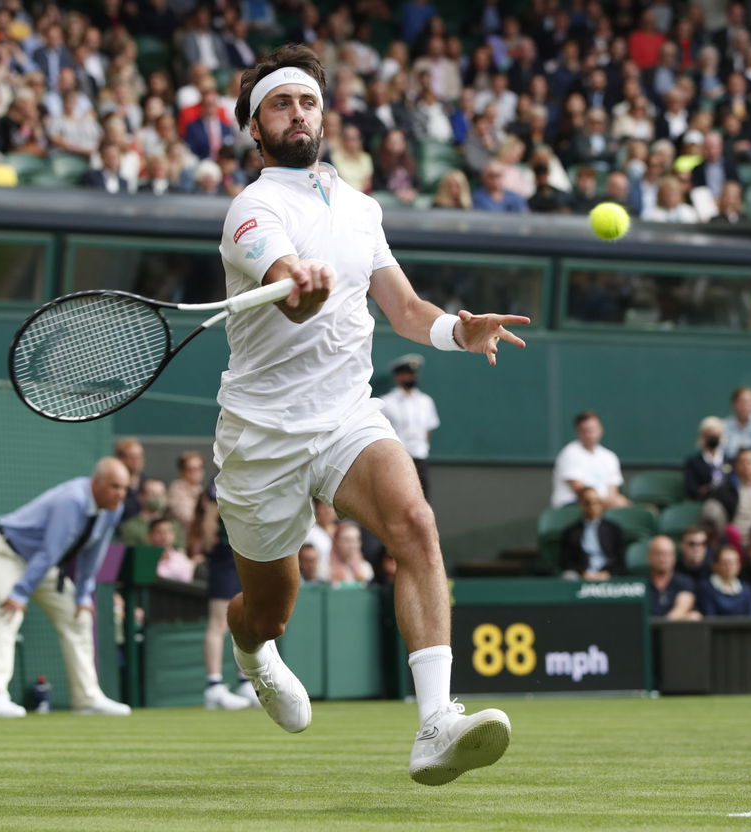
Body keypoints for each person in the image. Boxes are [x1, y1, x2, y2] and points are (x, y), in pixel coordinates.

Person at [215, 45, 523, 785]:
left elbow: (407, 309)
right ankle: (253, 652)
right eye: (282, 105)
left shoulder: (360, 208)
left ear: (324, 115)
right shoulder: (253, 208)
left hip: (347, 415)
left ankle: (435, 723)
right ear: (257, 128)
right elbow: (289, 285)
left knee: (415, 524)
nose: (299, 114)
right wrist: (301, 285)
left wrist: (457, 329)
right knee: (270, 610)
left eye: (309, 102)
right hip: (263, 434)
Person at [0, 458, 133, 717]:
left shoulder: (113, 507)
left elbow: (94, 552)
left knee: (79, 616)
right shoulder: (72, 500)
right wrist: (19, 593)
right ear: (97, 483)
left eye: (124, 488)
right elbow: (51, 551)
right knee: (8, 613)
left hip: (39, 562)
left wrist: (84, 594)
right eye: (115, 487)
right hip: (5, 552)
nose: (120, 494)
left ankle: (87, 699)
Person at [193, 484, 259, 710]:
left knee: (245, 620)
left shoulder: (250, 474)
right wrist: (213, 549)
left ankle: (244, 682)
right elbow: (210, 522)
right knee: (218, 622)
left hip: (245, 555)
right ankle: (214, 686)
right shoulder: (219, 481)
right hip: (224, 557)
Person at [377, 353, 440, 498]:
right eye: (407, 374)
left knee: (423, 501)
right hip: (396, 460)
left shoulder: (426, 401)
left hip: (420, 459)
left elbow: (428, 430)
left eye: (413, 373)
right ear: (397, 377)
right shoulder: (386, 402)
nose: (411, 377)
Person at [551, 410, 629, 509]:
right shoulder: (569, 453)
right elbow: (581, 492)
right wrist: (609, 502)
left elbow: (612, 491)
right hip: (573, 505)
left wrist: (616, 502)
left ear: (601, 429)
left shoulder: (609, 457)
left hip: (603, 507)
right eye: (585, 430)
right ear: (578, 432)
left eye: (593, 429)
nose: (590, 434)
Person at [558, 487, 624, 581]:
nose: (592, 507)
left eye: (596, 502)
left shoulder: (613, 529)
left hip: (608, 574)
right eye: (587, 503)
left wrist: (608, 572)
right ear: (581, 504)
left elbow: (619, 558)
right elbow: (565, 560)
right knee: (568, 576)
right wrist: (582, 572)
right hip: (581, 574)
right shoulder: (571, 531)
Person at [708, 446, 751, 544]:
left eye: (750, 462)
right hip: (733, 539)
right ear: (736, 465)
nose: (746, 466)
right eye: (742, 462)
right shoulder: (725, 489)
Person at [645, 535, 700, 619]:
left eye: (667, 554)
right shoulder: (639, 584)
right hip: (644, 631)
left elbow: (681, 609)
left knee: (694, 617)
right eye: (659, 553)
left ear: (674, 557)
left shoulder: (684, 582)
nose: (663, 558)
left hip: (672, 630)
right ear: (649, 556)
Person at [696, 545, 751, 616]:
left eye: (733, 562)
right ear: (715, 565)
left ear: (739, 566)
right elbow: (710, 617)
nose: (729, 566)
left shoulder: (746, 589)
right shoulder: (705, 588)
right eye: (725, 562)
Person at [683, 416, 727, 501]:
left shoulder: (729, 460)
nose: (713, 437)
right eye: (709, 434)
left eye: (716, 434)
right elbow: (691, 488)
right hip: (704, 501)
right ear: (703, 436)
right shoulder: (693, 462)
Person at [167, 451, 207, 532]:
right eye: (191, 469)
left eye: (199, 467)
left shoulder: (201, 490)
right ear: (182, 471)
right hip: (182, 539)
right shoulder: (176, 489)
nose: (196, 472)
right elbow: (187, 517)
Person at [150, 517, 198, 583]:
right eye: (159, 532)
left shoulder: (181, 557)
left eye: (168, 531)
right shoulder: (143, 558)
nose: (164, 536)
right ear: (149, 535)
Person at [114, 436, 147, 518]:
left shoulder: (145, 481)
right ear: (121, 459)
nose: (137, 461)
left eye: (139, 457)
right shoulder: (114, 484)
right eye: (132, 457)